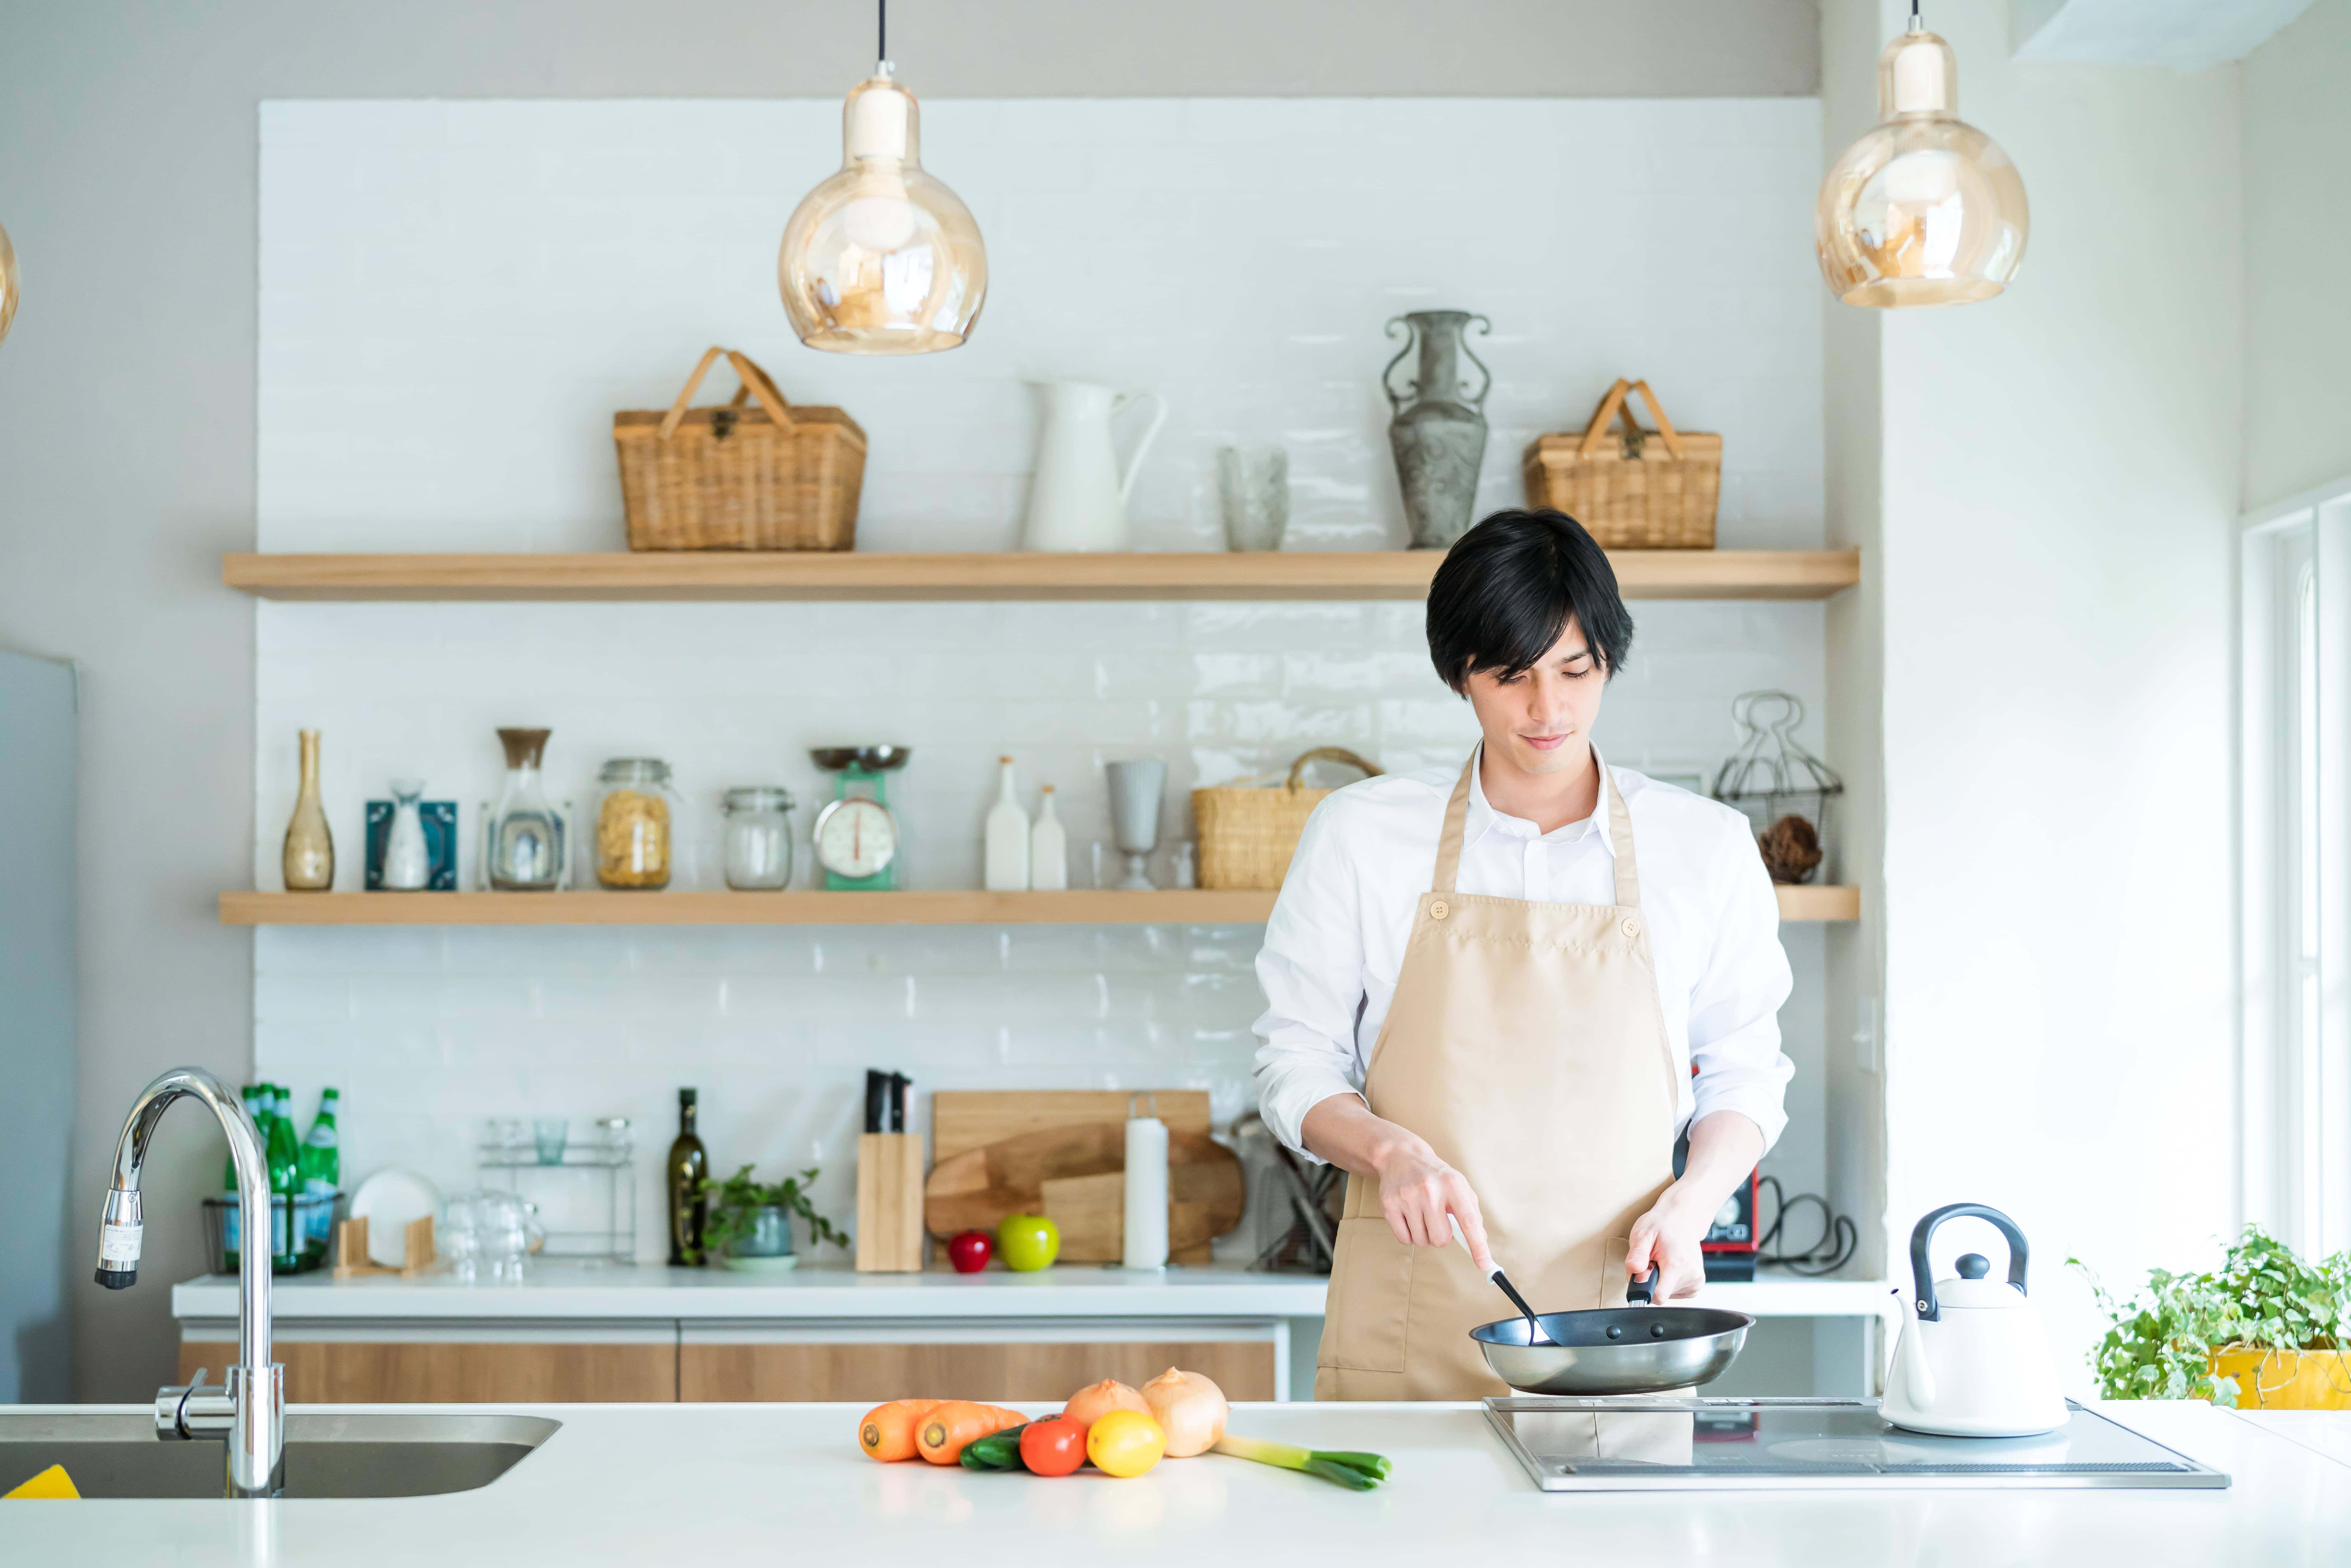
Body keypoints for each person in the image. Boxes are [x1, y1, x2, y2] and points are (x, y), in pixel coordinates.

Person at [1253, 508, 1794, 1400]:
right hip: (1413, 1321)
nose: (1549, 710)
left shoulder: (1705, 847)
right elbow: (1292, 1065)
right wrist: (1390, 1153)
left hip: (1618, 1327)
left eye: (1576, 670)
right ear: (1460, 676)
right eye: (1513, 677)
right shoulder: (1363, 836)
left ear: (1610, 660)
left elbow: (1745, 1074)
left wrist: (1692, 1204)